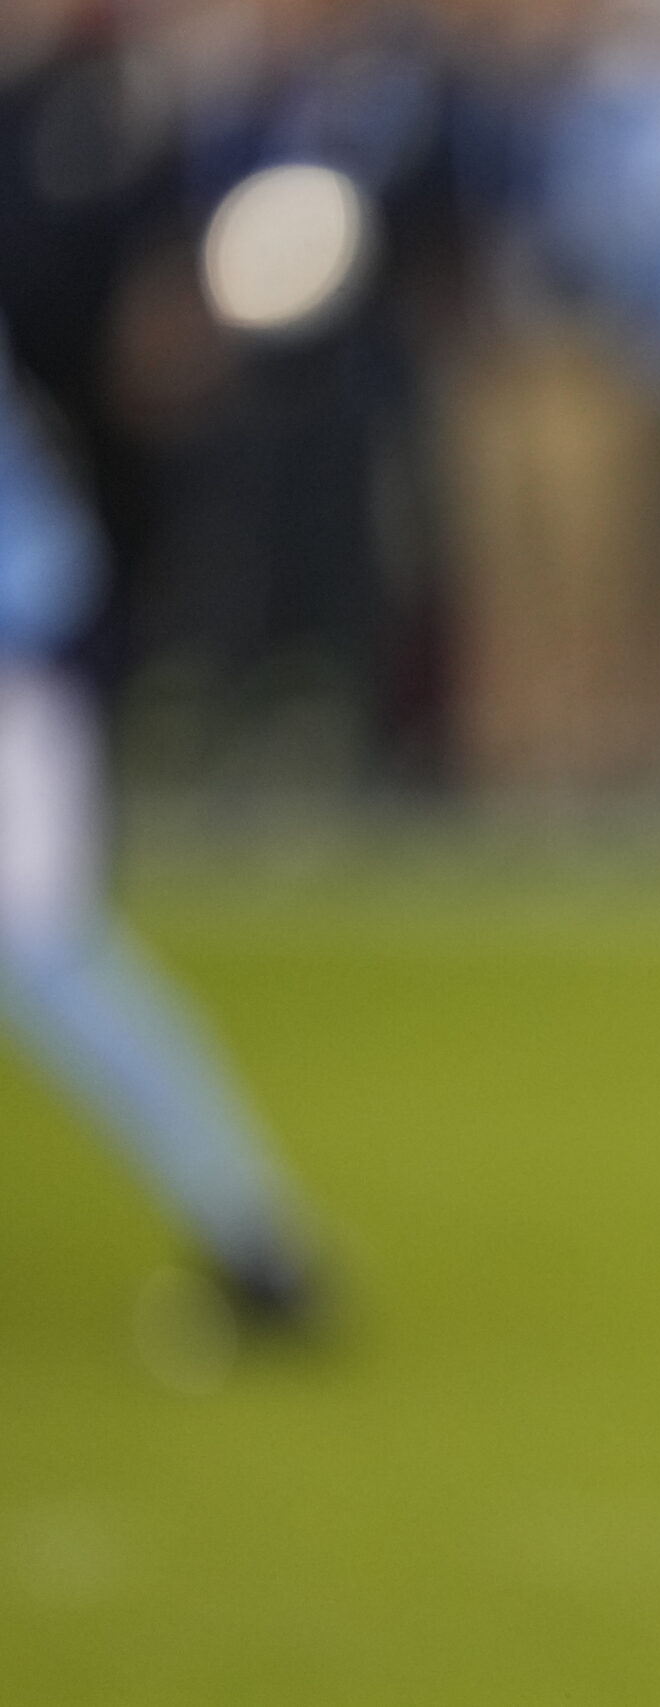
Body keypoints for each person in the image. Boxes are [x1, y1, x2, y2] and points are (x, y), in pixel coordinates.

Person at [0, 324, 318, 1327]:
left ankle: (254, 1239)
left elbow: (45, 562)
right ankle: (254, 1238)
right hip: (32, 650)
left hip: (16, 665)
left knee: (52, 957)